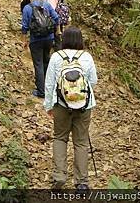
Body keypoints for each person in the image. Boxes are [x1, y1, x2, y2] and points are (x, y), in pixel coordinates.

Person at [44, 26, 97, 190]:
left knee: (60, 138)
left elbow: (50, 83)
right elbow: (93, 81)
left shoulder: (56, 57)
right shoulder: (87, 57)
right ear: (80, 40)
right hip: (84, 106)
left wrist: (49, 105)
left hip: (61, 104)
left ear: (64, 39)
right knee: (80, 143)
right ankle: (82, 182)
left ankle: (59, 177)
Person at [22, 0, 59, 98]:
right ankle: (50, 89)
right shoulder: (47, 5)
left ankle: (41, 91)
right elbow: (56, 18)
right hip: (49, 38)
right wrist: (57, 31)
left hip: (35, 39)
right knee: (46, 61)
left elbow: (24, 26)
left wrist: (24, 40)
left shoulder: (27, 8)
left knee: (38, 64)